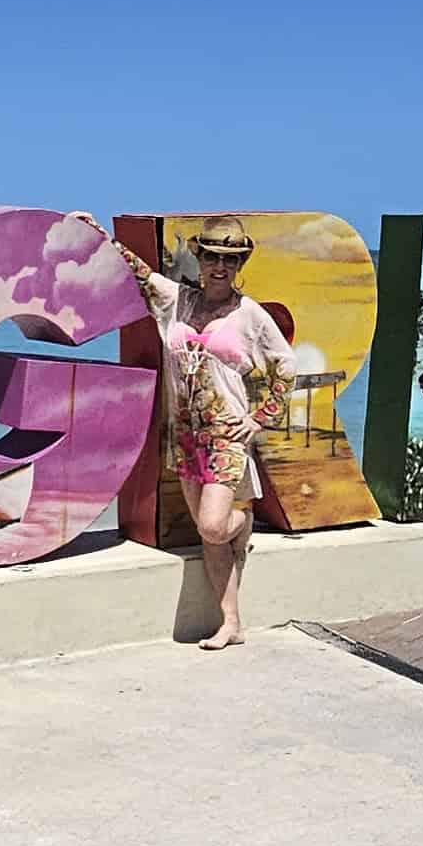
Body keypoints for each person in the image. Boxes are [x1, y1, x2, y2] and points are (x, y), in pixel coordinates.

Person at [118, 219, 290, 649]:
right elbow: (137, 272)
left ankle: (245, 517)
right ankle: (230, 623)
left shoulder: (250, 314)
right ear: (199, 259)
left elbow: (285, 368)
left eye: (229, 260)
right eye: (211, 256)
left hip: (227, 436)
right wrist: (100, 236)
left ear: (239, 264)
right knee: (207, 537)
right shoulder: (176, 300)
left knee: (215, 528)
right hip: (187, 437)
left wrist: (259, 418)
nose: (219, 266)